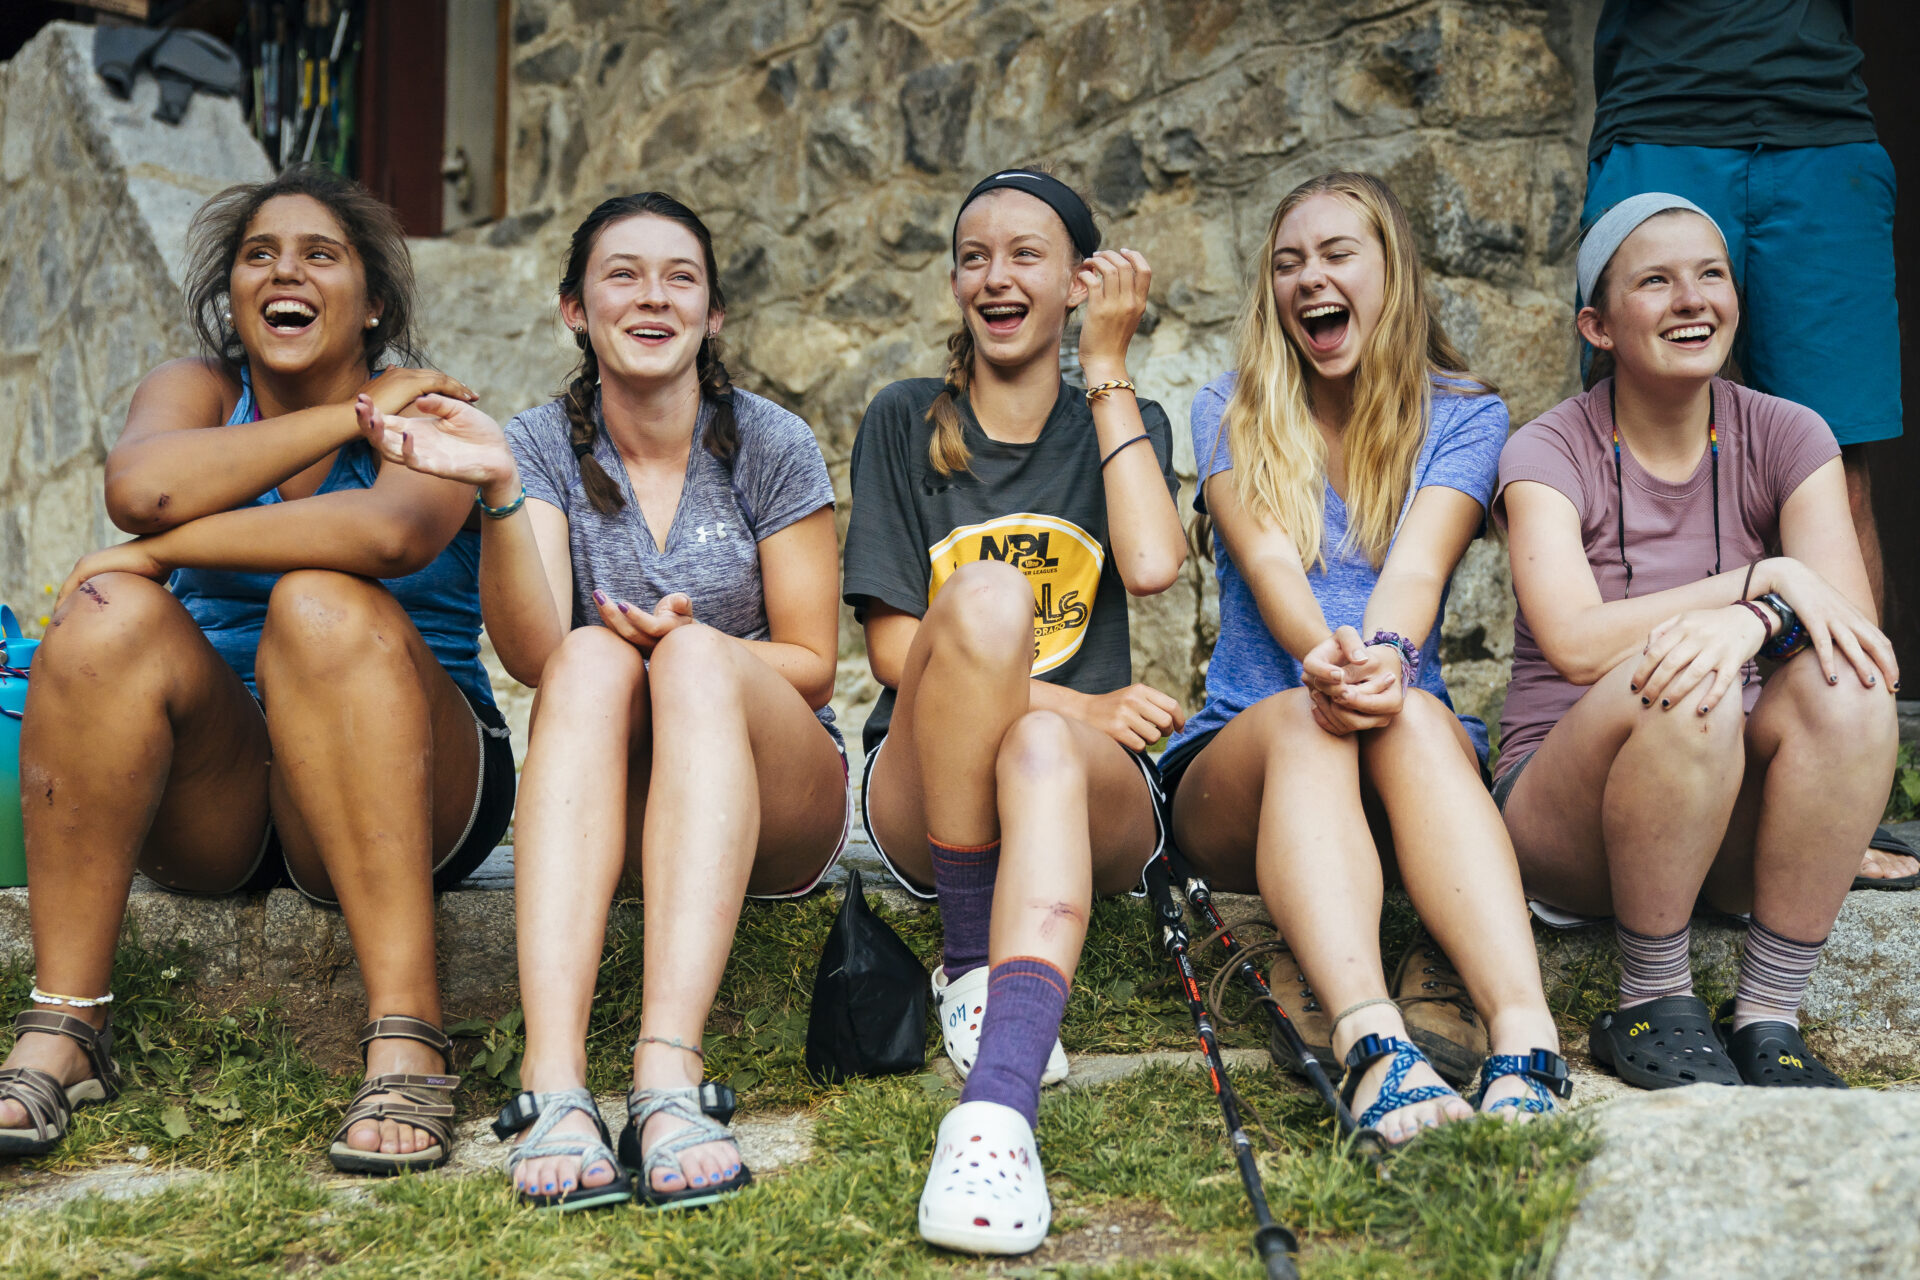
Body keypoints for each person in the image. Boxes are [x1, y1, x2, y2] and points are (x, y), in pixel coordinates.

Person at [0, 166, 512, 1171]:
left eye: (322, 254)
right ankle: (65, 1023)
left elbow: (392, 532)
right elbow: (141, 485)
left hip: (417, 765)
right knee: (102, 615)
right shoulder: (194, 391)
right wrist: (347, 417)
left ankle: (409, 1031)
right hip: (221, 786)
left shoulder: (438, 411)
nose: (287, 271)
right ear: (232, 294)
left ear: (371, 303)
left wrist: (156, 552)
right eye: (259, 255)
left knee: (316, 599)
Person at [359, 192, 847, 1211]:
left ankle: (668, 1074)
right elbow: (536, 655)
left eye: (681, 277)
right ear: (575, 310)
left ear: (713, 316)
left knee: (694, 663)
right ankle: (555, 1082)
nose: (653, 295)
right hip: (626, 796)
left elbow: (809, 658)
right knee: (587, 658)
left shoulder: (769, 440)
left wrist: (695, 648)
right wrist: (496, 490)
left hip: (777, 792)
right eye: (622, 274)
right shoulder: (537, 443)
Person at [1158, 172, 1568, 1146]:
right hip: (1248, 758)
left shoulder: (1466, 414)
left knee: (1420, 712)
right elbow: (1266, 562)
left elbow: (1420, 566)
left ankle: (1525, 1031)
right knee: (1312, 716)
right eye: (1288, 261)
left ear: (1392, 272)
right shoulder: (1227, 406)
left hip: (1397, 737)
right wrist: (1326, 657)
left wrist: (1382, 652)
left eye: (1338, 254)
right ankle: (1373, 1042)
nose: (1310, 279)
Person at [842, 168, 1186, 1256]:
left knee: (1039, 740)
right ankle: (971, 959)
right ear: (954, 281)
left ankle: (992, 1116)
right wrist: (1079, 700)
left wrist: (1109, 369)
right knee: (987, 595)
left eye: (1027, 254)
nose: (996, 275)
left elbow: (1151, 563)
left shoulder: (1124, 414)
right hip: (925, 786)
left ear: (1081, 281)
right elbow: (897, 650)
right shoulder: (905, 418)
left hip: (1079, 796)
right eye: (975, 255)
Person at [1495, 194, 1897, 1090]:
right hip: (1571, 816)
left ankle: (1769, 1013)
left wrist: (1748, 622)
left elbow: (1859, 635)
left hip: (1731, 815)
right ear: (1596, 326)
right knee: (1689, 679)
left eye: (1711, 274)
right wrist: (1761, 581)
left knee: (1852, 686)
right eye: (1657, 281)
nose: (1692, 299)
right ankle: (1651, 997)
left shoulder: (1789, 434)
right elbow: (1575, 643)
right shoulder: (1547, 451)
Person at [1582, 0, 1911, 888]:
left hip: (1820, 119)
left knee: (1835, 468)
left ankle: (1843, 799)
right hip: (1662, 113)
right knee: (1635, 449)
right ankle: (1648, 779)